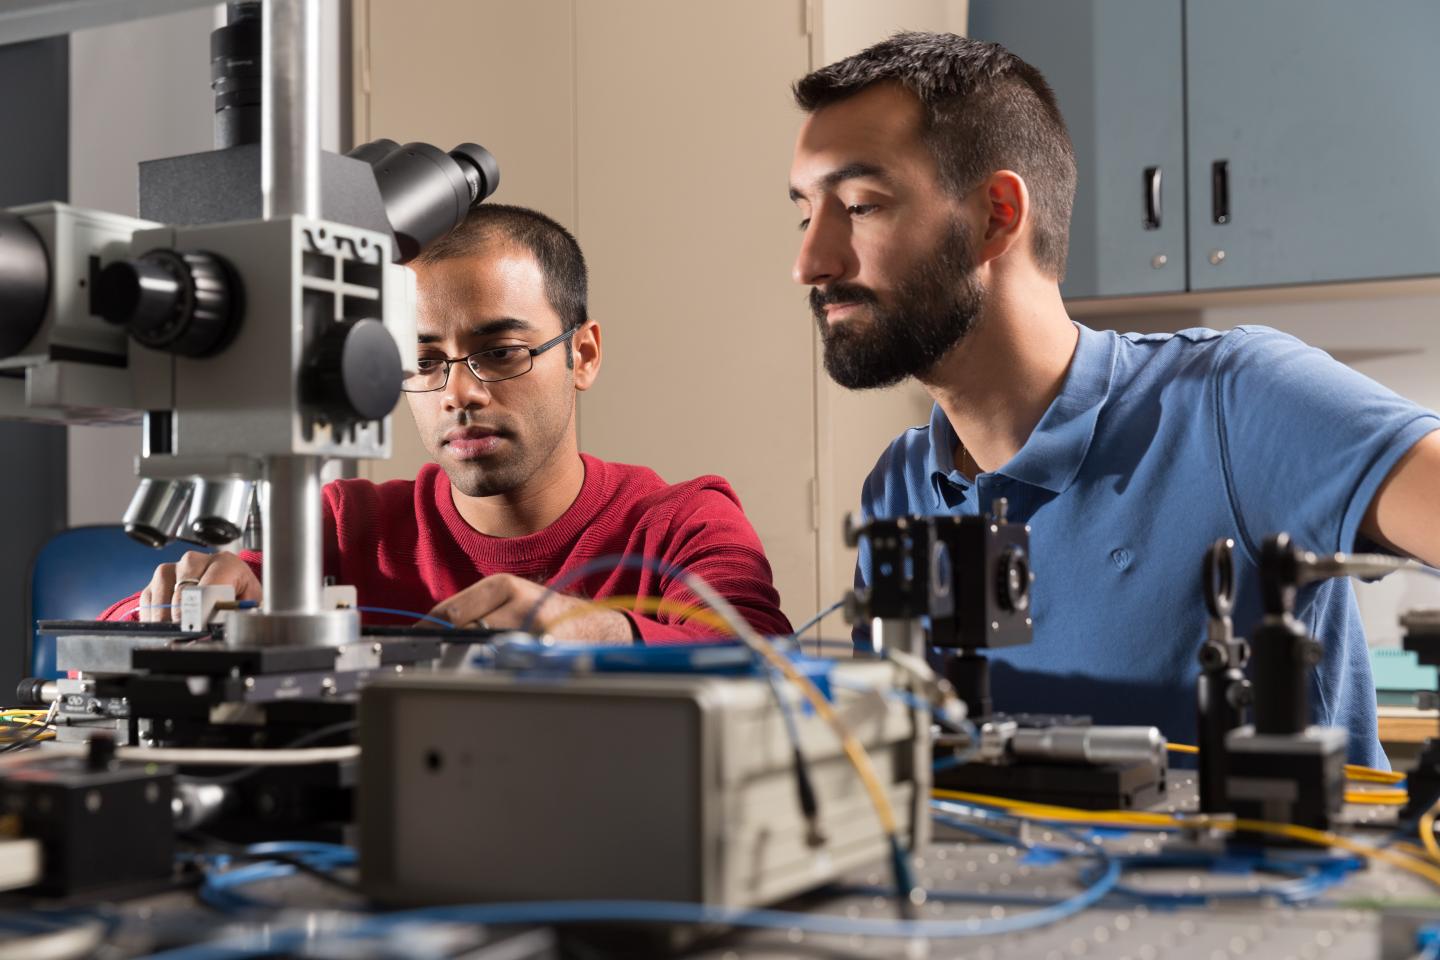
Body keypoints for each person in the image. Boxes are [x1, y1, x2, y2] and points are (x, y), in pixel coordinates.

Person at [786, 32, 1440, 764]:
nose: (809, 261)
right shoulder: (901, 486)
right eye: (805, 213)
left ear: (998, 215)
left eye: (860, 205)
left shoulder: (1234, 401)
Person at [102, 205, 791, 643]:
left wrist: (590, 632)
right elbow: (94, 651)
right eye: (422, 361)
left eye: (499, 353)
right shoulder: (347, 527)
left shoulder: (681, 524)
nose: (457, 392)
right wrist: (173, 607)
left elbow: (767, 663)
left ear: (582, 354)